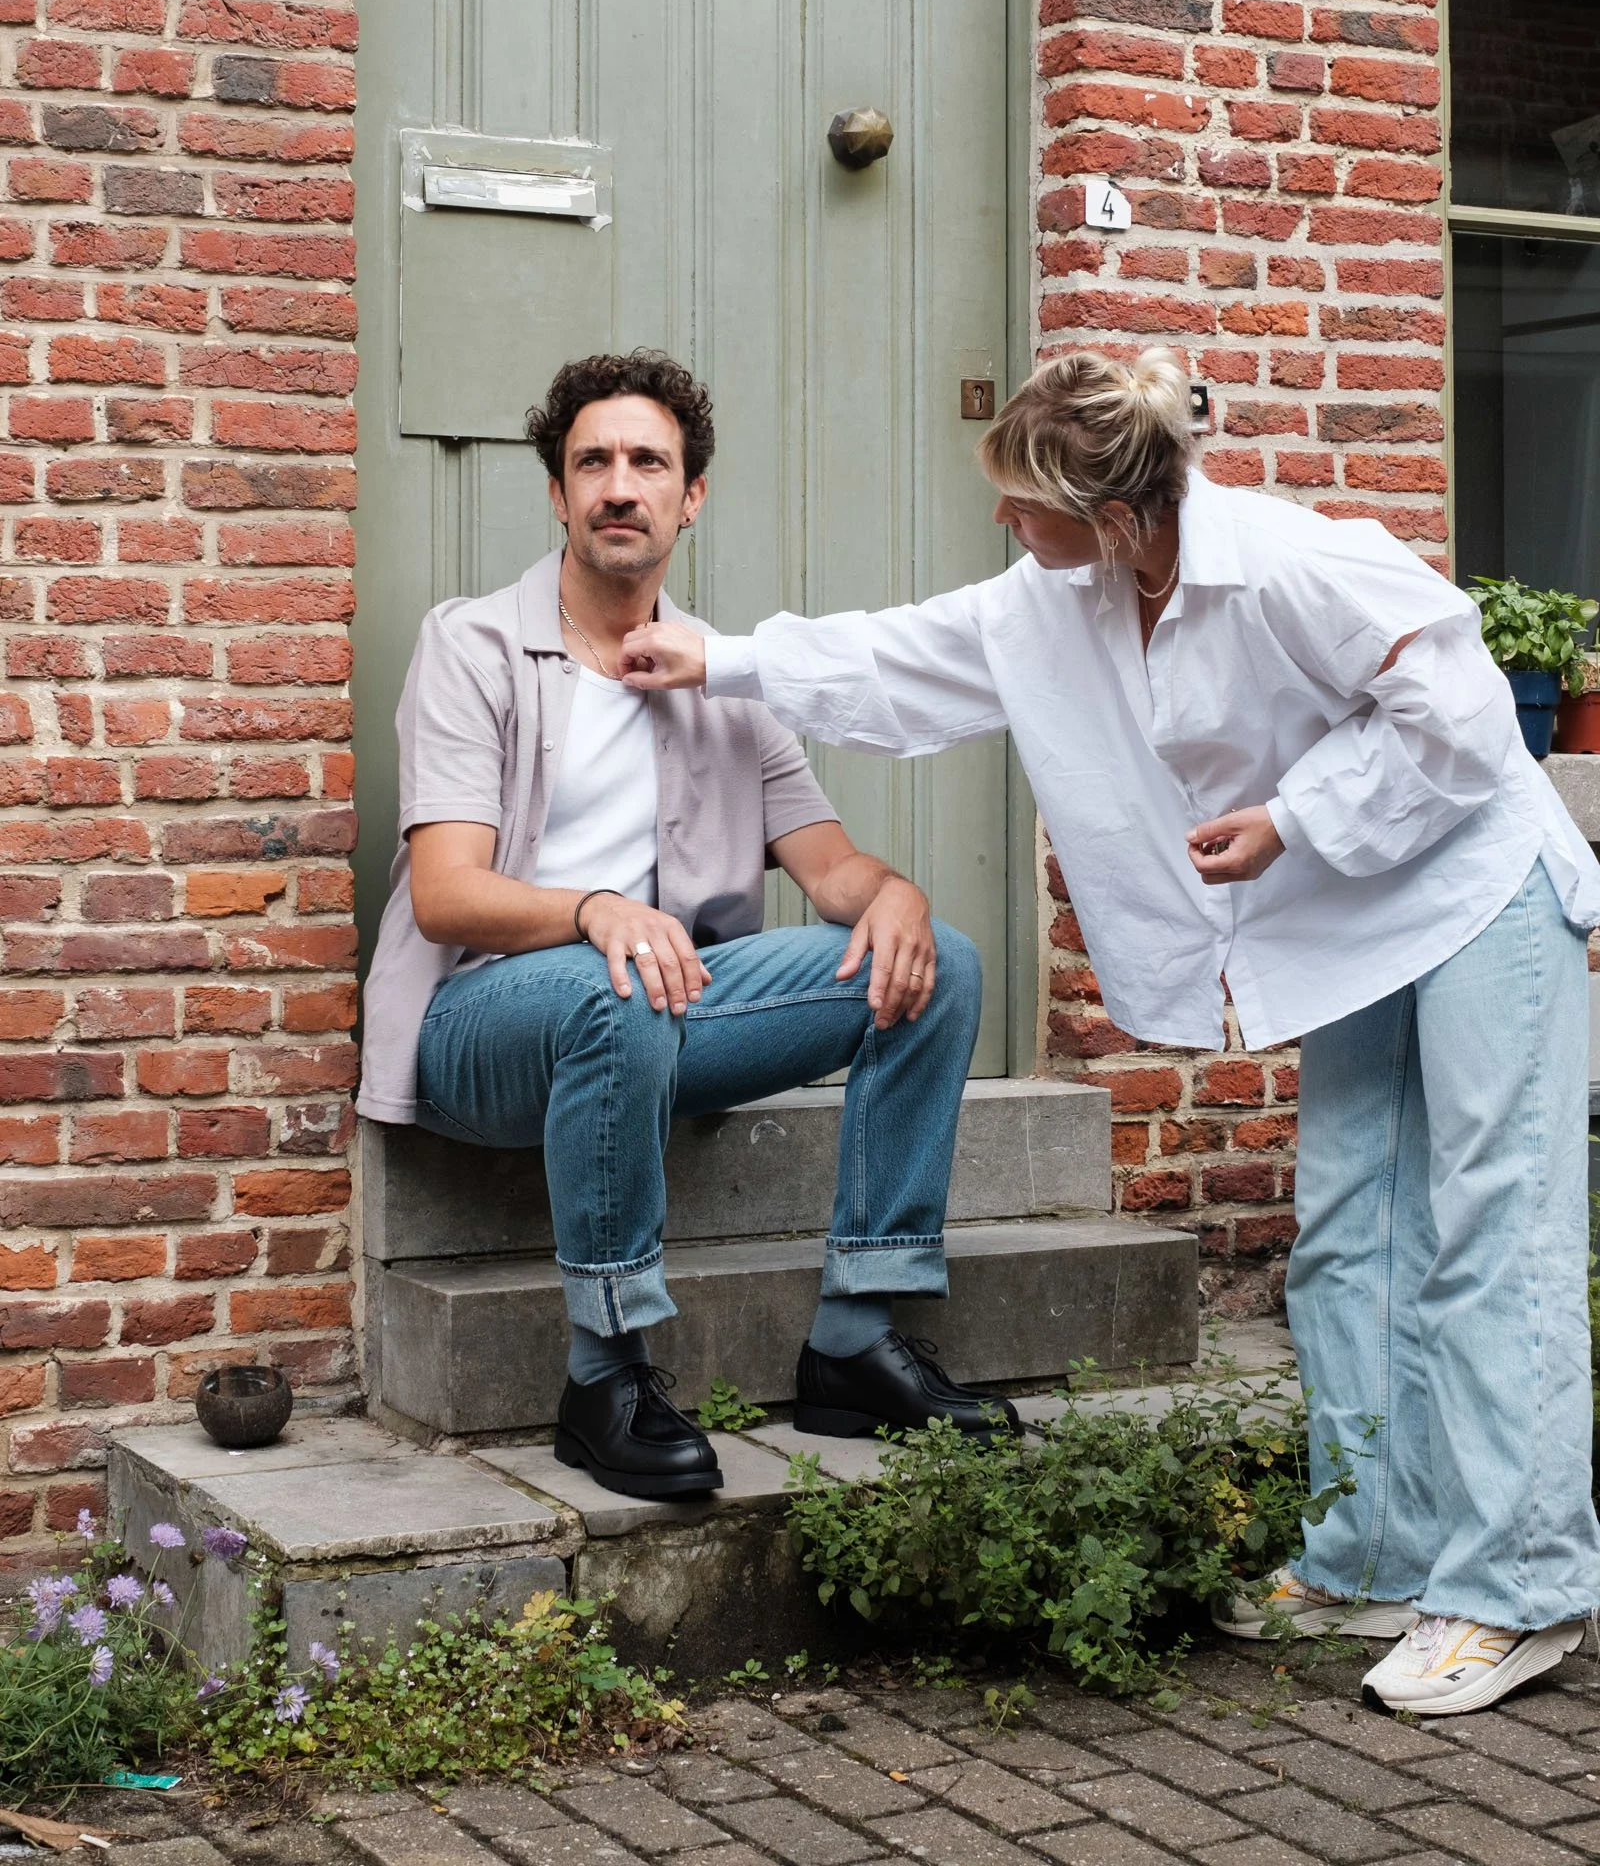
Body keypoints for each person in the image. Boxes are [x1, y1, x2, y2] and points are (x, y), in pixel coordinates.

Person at [620, 342, 1600, 1717]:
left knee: (1492, 1234)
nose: (1007, 528)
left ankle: (1519, 1590)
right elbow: (906, 658)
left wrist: (1298, 817)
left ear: (1120, 518)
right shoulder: (1058, 600)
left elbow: (1460, 712)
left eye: (1026, 508)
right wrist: (721, 657)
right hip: (1358, 925)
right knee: (1355, 1237)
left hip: (1474, 885)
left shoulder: (1281, 562)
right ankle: (1372, 1548)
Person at [357, 348, 1015, 1504]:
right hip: (488, 1023)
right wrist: (595, 909)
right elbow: (444, 894)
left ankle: (855, 1339)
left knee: (940, 964)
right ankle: (603, 1372)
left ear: (689, 495)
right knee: (614, 984)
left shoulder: (728, 678)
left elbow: (832, 870)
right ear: (559, 495)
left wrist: (896, 891)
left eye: (647, 462)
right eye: (593, 463)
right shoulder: (476, 647)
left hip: (664, 1014)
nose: (621, 485)